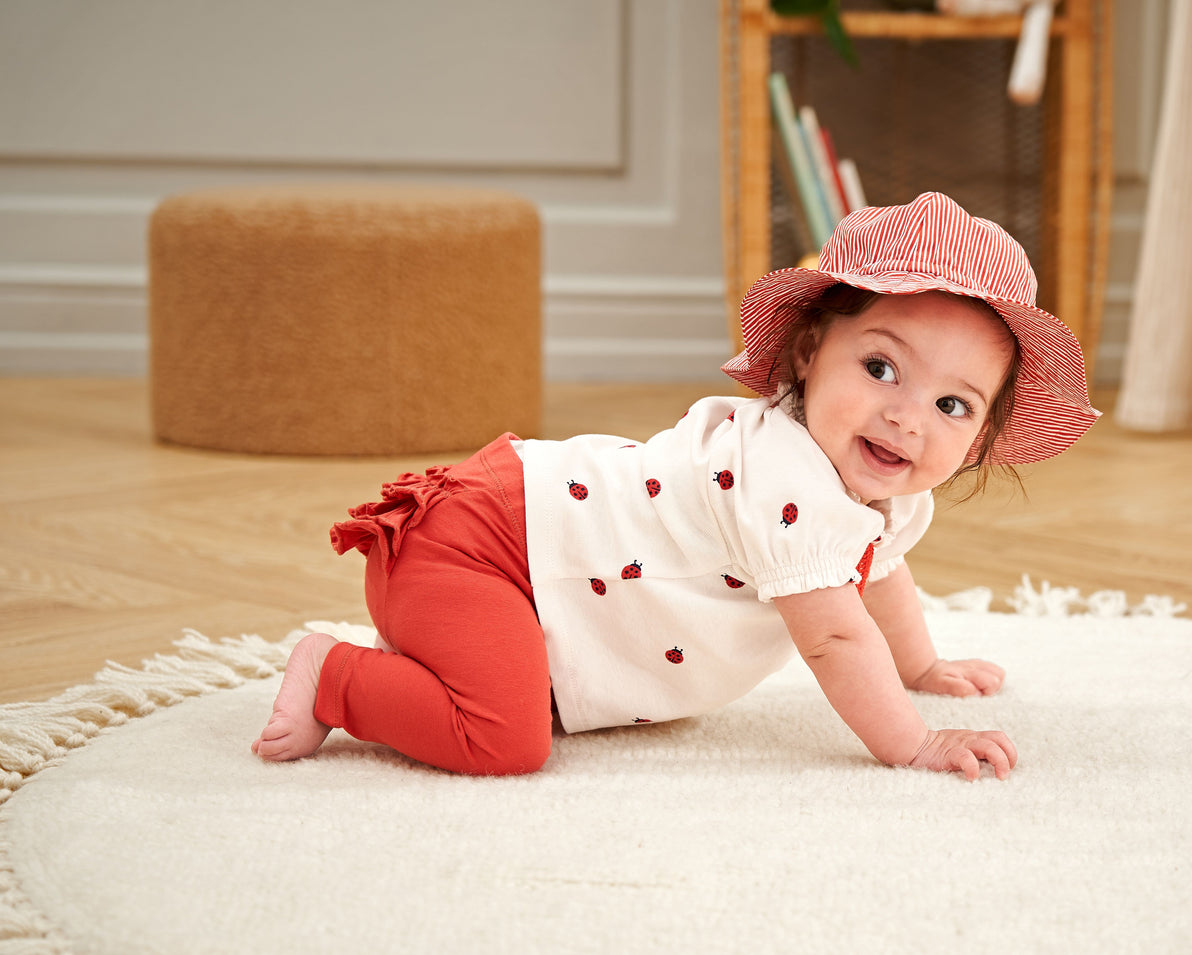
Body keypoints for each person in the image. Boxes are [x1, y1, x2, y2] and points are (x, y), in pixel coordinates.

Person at [252, 191, 1099, 780]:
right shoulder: (785, 476)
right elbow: (837, 640)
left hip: (532, 576)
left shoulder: (882, 493)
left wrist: (920, 663)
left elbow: (879, 572)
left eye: (951, 404)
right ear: (806, 354)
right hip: (476, 549)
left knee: (521, 702)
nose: (905, 417)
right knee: (502, 740)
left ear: (981, 434)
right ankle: (335, 674)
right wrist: (912, 742)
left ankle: (452, 661)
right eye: (880, 367)